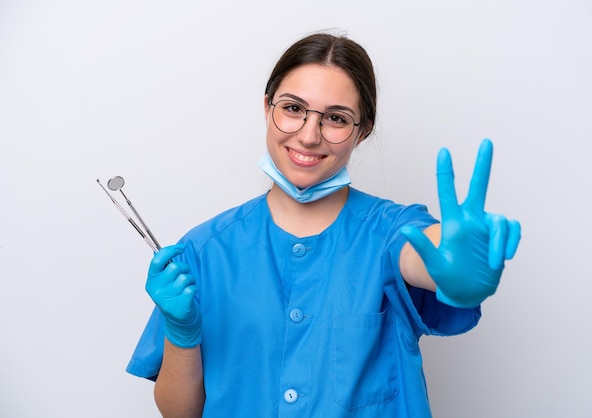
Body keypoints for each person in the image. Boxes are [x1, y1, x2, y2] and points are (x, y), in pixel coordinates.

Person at [126, 32, 521, 418]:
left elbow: (422, 252)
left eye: (335, 118)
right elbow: (180, 413)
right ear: (268, 108)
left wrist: (457, 265)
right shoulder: (205, 250)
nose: (309, 136)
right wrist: (181, 332)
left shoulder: (388, 232)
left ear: (362, 130)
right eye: (293, 109)